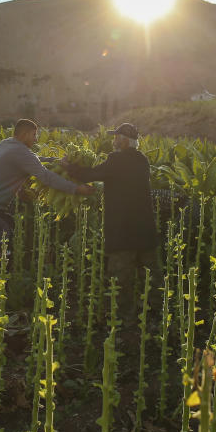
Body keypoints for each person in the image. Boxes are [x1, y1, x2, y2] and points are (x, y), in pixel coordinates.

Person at [62, 123, 158, 315]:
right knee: (151, 276)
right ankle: (155, 314)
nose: (113, 140)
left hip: (123, 228)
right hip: (145, 227)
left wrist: (69, 167)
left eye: (116, 137)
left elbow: (93, 174)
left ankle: (122, 318)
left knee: (119, 278)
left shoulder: (116, 160)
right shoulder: (143, 160)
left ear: (123, 140)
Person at [0, 119, 93, 266]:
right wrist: (76, 188)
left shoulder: (7, 143)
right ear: (24, 134)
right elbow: (46, 176)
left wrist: (56, 161)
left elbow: (34, 159)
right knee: (0, 254)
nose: (36, 139)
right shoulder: (20, 152)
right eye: (34, 135)